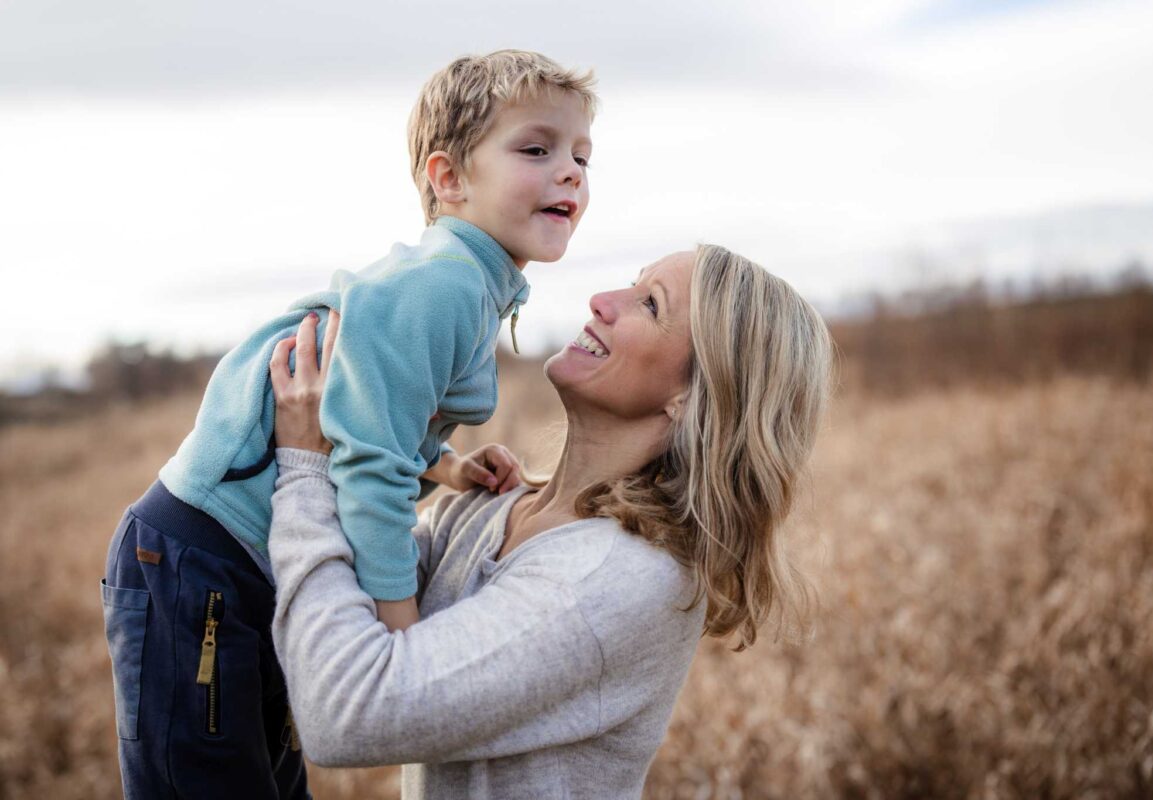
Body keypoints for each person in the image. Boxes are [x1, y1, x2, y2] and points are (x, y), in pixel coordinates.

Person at [99, 50, 596, 798]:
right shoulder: (446, 285)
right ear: (448, 177)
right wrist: (400, 641)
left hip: (244, 560)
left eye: (582, 156)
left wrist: (451, 467)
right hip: (201, 556)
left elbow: (369, 417)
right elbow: (370, 468)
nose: (570, 172)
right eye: (537, 149)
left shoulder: (473, 281)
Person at [267, 244, 834, 799]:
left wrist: (305, 466)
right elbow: (334, 605)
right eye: (631, 285)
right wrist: (400, 454)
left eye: (650, 305)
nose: (601, 301)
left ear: (693, 394)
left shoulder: (614, 578)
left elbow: (346, 714)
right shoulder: (490, 507)